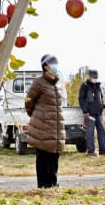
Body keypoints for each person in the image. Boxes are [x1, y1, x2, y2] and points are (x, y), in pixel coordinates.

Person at [25, 54, 66, 189]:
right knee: (43, 157)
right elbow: (28, 100)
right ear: (45, 66)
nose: (55, 66)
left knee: (54, 156)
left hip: (55, 126)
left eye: (56, 63)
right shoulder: (39, 82)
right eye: (52, 63)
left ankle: (53, 184)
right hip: (43, 126)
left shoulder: (56, 84)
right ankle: (43, 185)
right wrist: (35, 115)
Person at [78, 69, 105, 156]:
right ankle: (91, 152)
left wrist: (102, 105)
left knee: (102, 132)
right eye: (93, 77)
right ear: (89, 77)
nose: (95, 78)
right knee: (90, 133)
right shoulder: (84, 86)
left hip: (99, 114)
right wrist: (85, 111)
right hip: (89, 114)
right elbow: (81, 99)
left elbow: (101, 97)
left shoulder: (98, 86)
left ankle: (103, 151)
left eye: (96, 77)